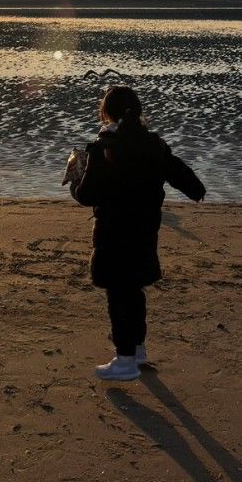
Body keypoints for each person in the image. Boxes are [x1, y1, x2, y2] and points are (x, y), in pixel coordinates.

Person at [66, 84, 206, 381]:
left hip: (113, 233)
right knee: (135, 290)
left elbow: (88, 195)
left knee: (119, 294)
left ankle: (125, 360)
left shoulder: (105, 147)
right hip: (144, 230)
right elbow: (179, 172)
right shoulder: (152, 144)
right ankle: (138, 350)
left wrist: (75, 178)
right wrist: (197, 190)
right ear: (139, 112)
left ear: (105, 114)